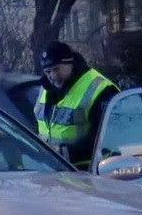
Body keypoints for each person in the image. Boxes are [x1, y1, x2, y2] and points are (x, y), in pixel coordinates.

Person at [34, 40, 119, 170]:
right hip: (54, 171)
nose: (52, 76)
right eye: (48, 72)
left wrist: (64, 152)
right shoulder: (45, 88)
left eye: (56, 69)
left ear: (70, 63)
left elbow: (106, 137)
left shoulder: (98, 88)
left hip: (92, 170)